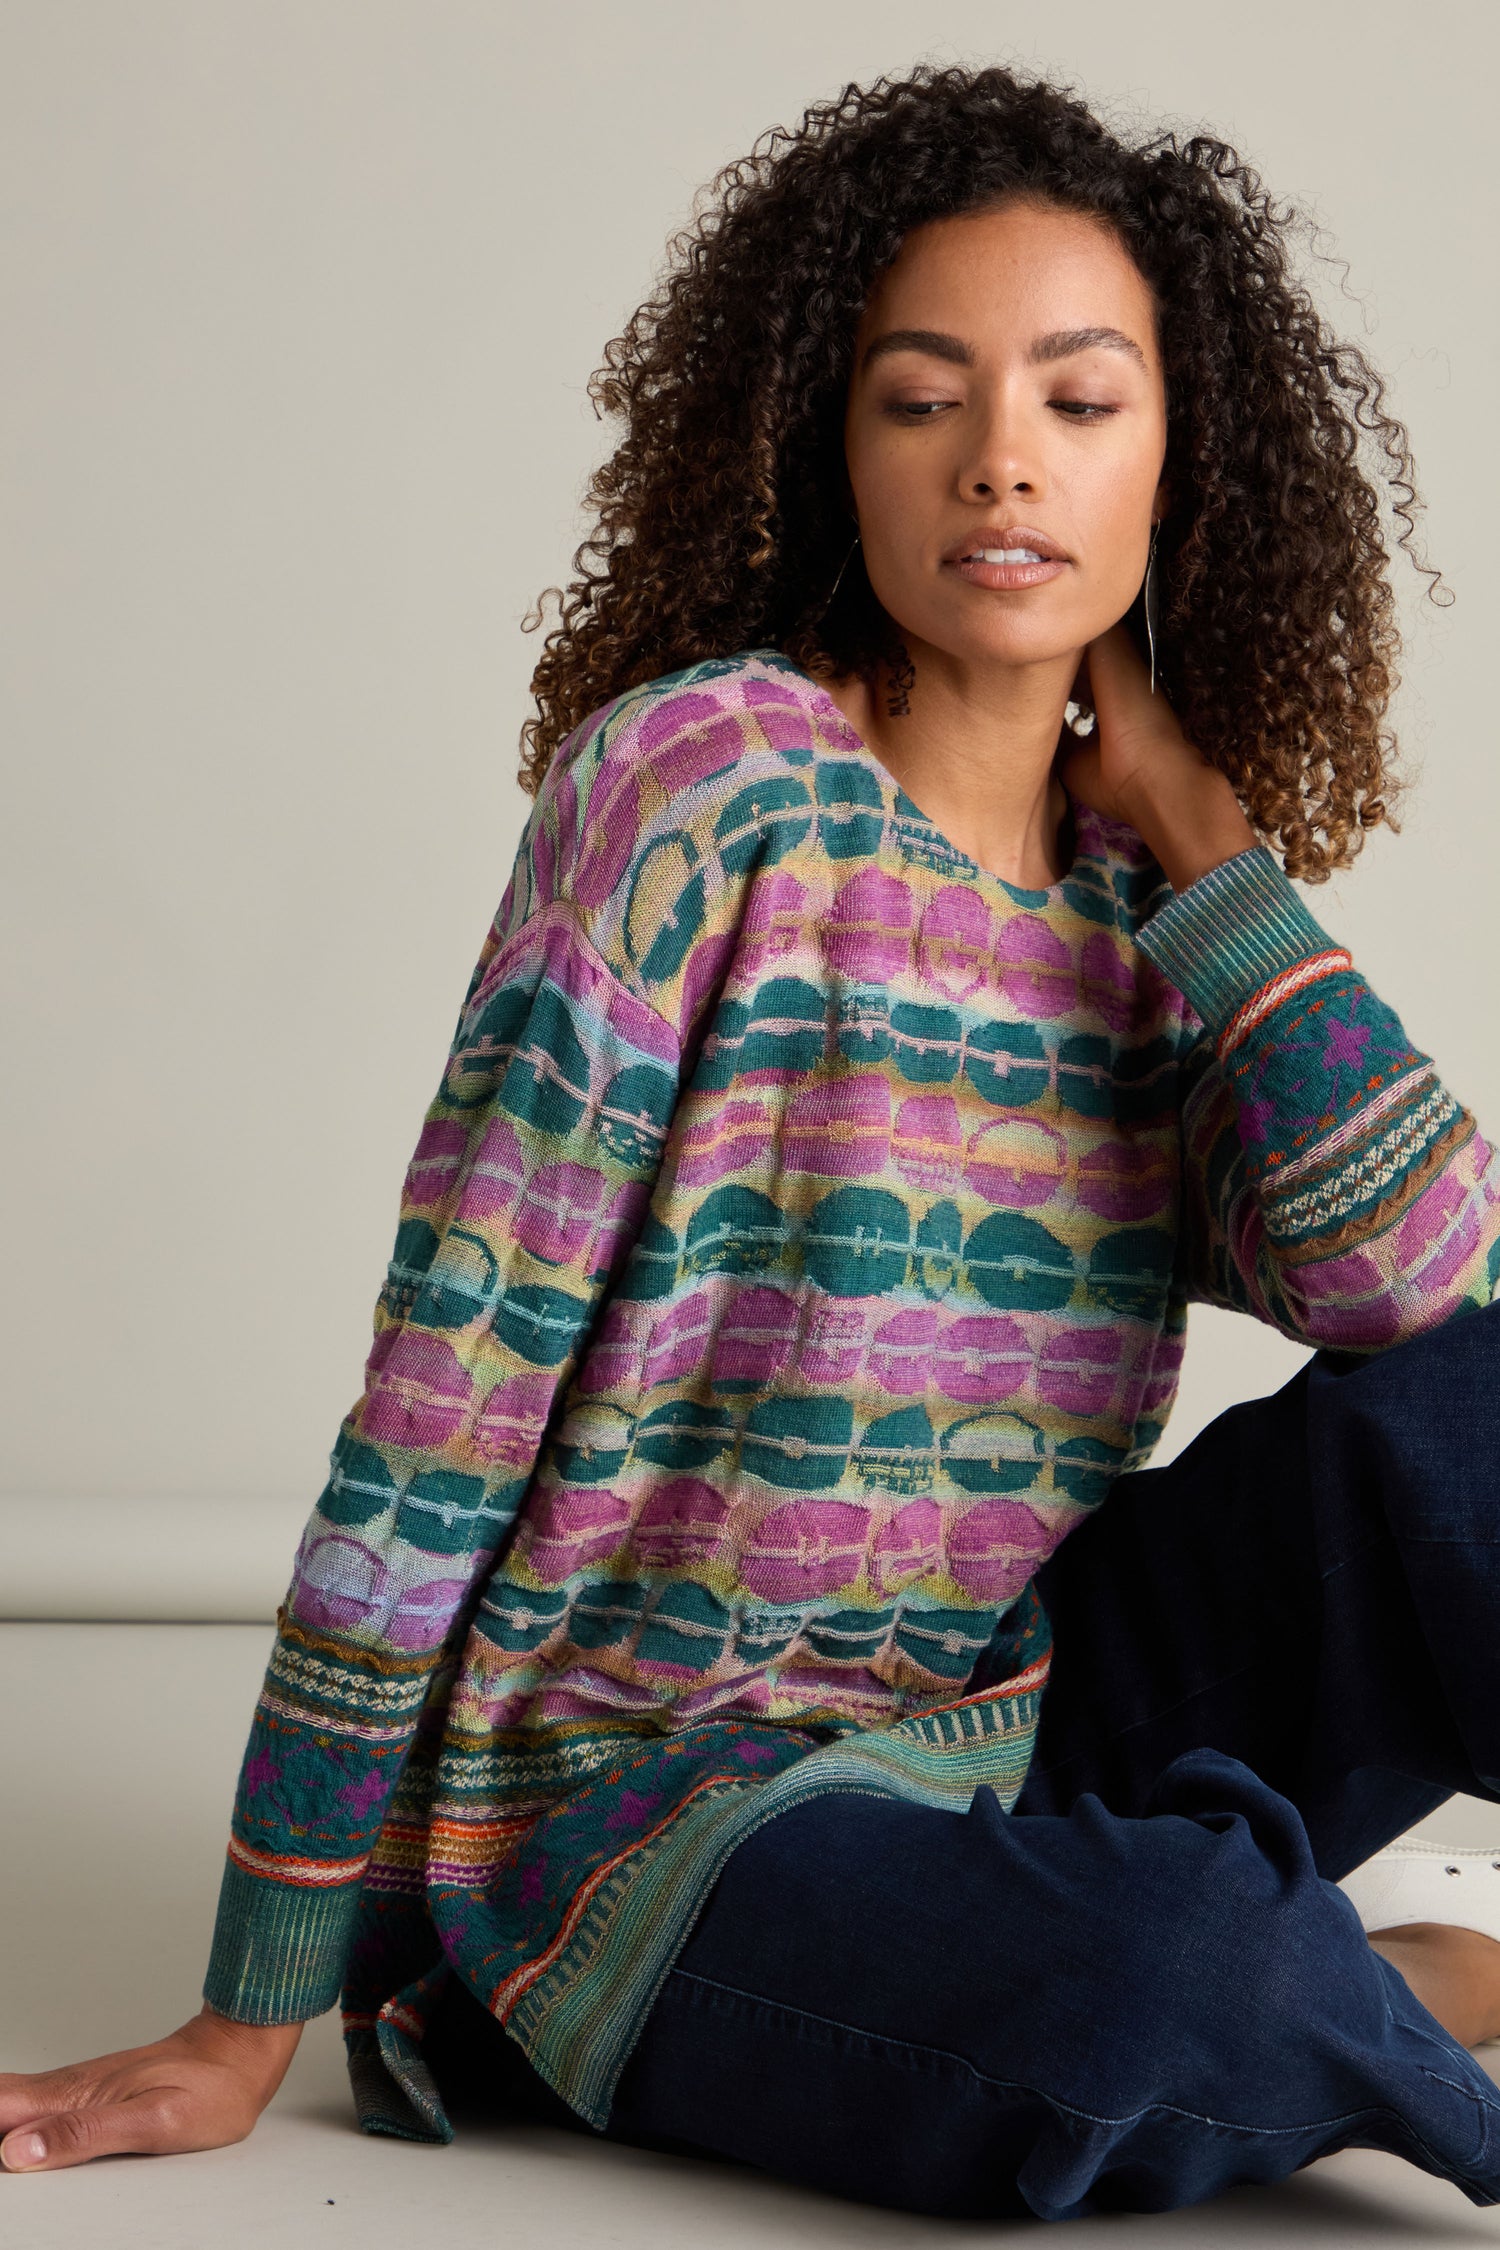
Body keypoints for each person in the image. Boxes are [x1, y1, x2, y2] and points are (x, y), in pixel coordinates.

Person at [4, 59, 1499, 2223]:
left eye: (1083, 401)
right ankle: (1317, 1979)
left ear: (1188, 457)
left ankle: (1203, 1944)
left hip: (1004, 1710)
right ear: (834, 442)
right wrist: (256, 2002)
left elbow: (1420, 1291)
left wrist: (1206, 842)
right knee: (1175, 1984)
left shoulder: (1142, 912)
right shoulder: (700, 793)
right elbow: (442, 1413)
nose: (1005, 457)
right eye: (925, 398)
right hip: (629, 1825)